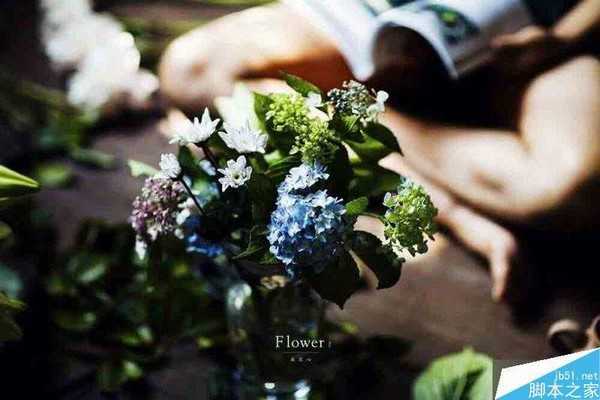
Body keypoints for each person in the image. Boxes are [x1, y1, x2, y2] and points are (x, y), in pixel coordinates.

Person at [159, 0, 600, 301]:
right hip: (392, 15)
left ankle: (359, 116)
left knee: (566, 189)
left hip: (543, 30)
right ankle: (423, 184)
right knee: (192, 69)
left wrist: (564, 37)